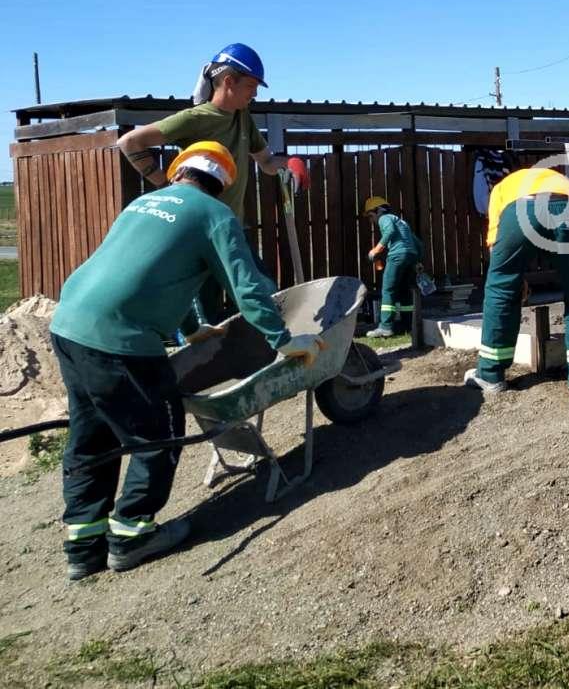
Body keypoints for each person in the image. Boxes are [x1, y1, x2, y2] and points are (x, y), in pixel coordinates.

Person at [49, 141, 325, 580]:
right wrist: (283, 339)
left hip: (68, 325)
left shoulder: (144, 202)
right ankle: (132, 535)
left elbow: (161, 271)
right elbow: (246, 286)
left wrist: (188, 330)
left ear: (179, 172)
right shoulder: (214, 215)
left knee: (93, 434)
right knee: (158, 433)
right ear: (222, 185)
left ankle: (83, 547)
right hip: (121, 339)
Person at [116, 43, 307, 326]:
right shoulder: (197, 119)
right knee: (207, 316)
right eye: (251, 86)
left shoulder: (243, 118)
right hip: (197, 234)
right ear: (229, 81)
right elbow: (129, 142)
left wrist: (290, 164)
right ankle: (213, 365)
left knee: (265, 294)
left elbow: (266, 162)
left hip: (230, 228)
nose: (255, 93)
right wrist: (165, 184)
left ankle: (275, 355)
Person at [464, 167, 569, 409]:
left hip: (520, 208)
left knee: (500, 291)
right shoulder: (560, 182)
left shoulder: (501, 190)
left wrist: (514, 281)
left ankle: (490, 374)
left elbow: (497, 249)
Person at [362, 196, 425, 338]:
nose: (371, 221)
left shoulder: (385, 219)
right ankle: (408, 325)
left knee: (388, 289)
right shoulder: (401, 222)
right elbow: (418, 244)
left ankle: (385, 327)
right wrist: (418, 262)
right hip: (411, 256)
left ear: (378, 211)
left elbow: (389, 231)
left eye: (371, 216)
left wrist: (376, 250)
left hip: (397, 256)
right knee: (404, 291)